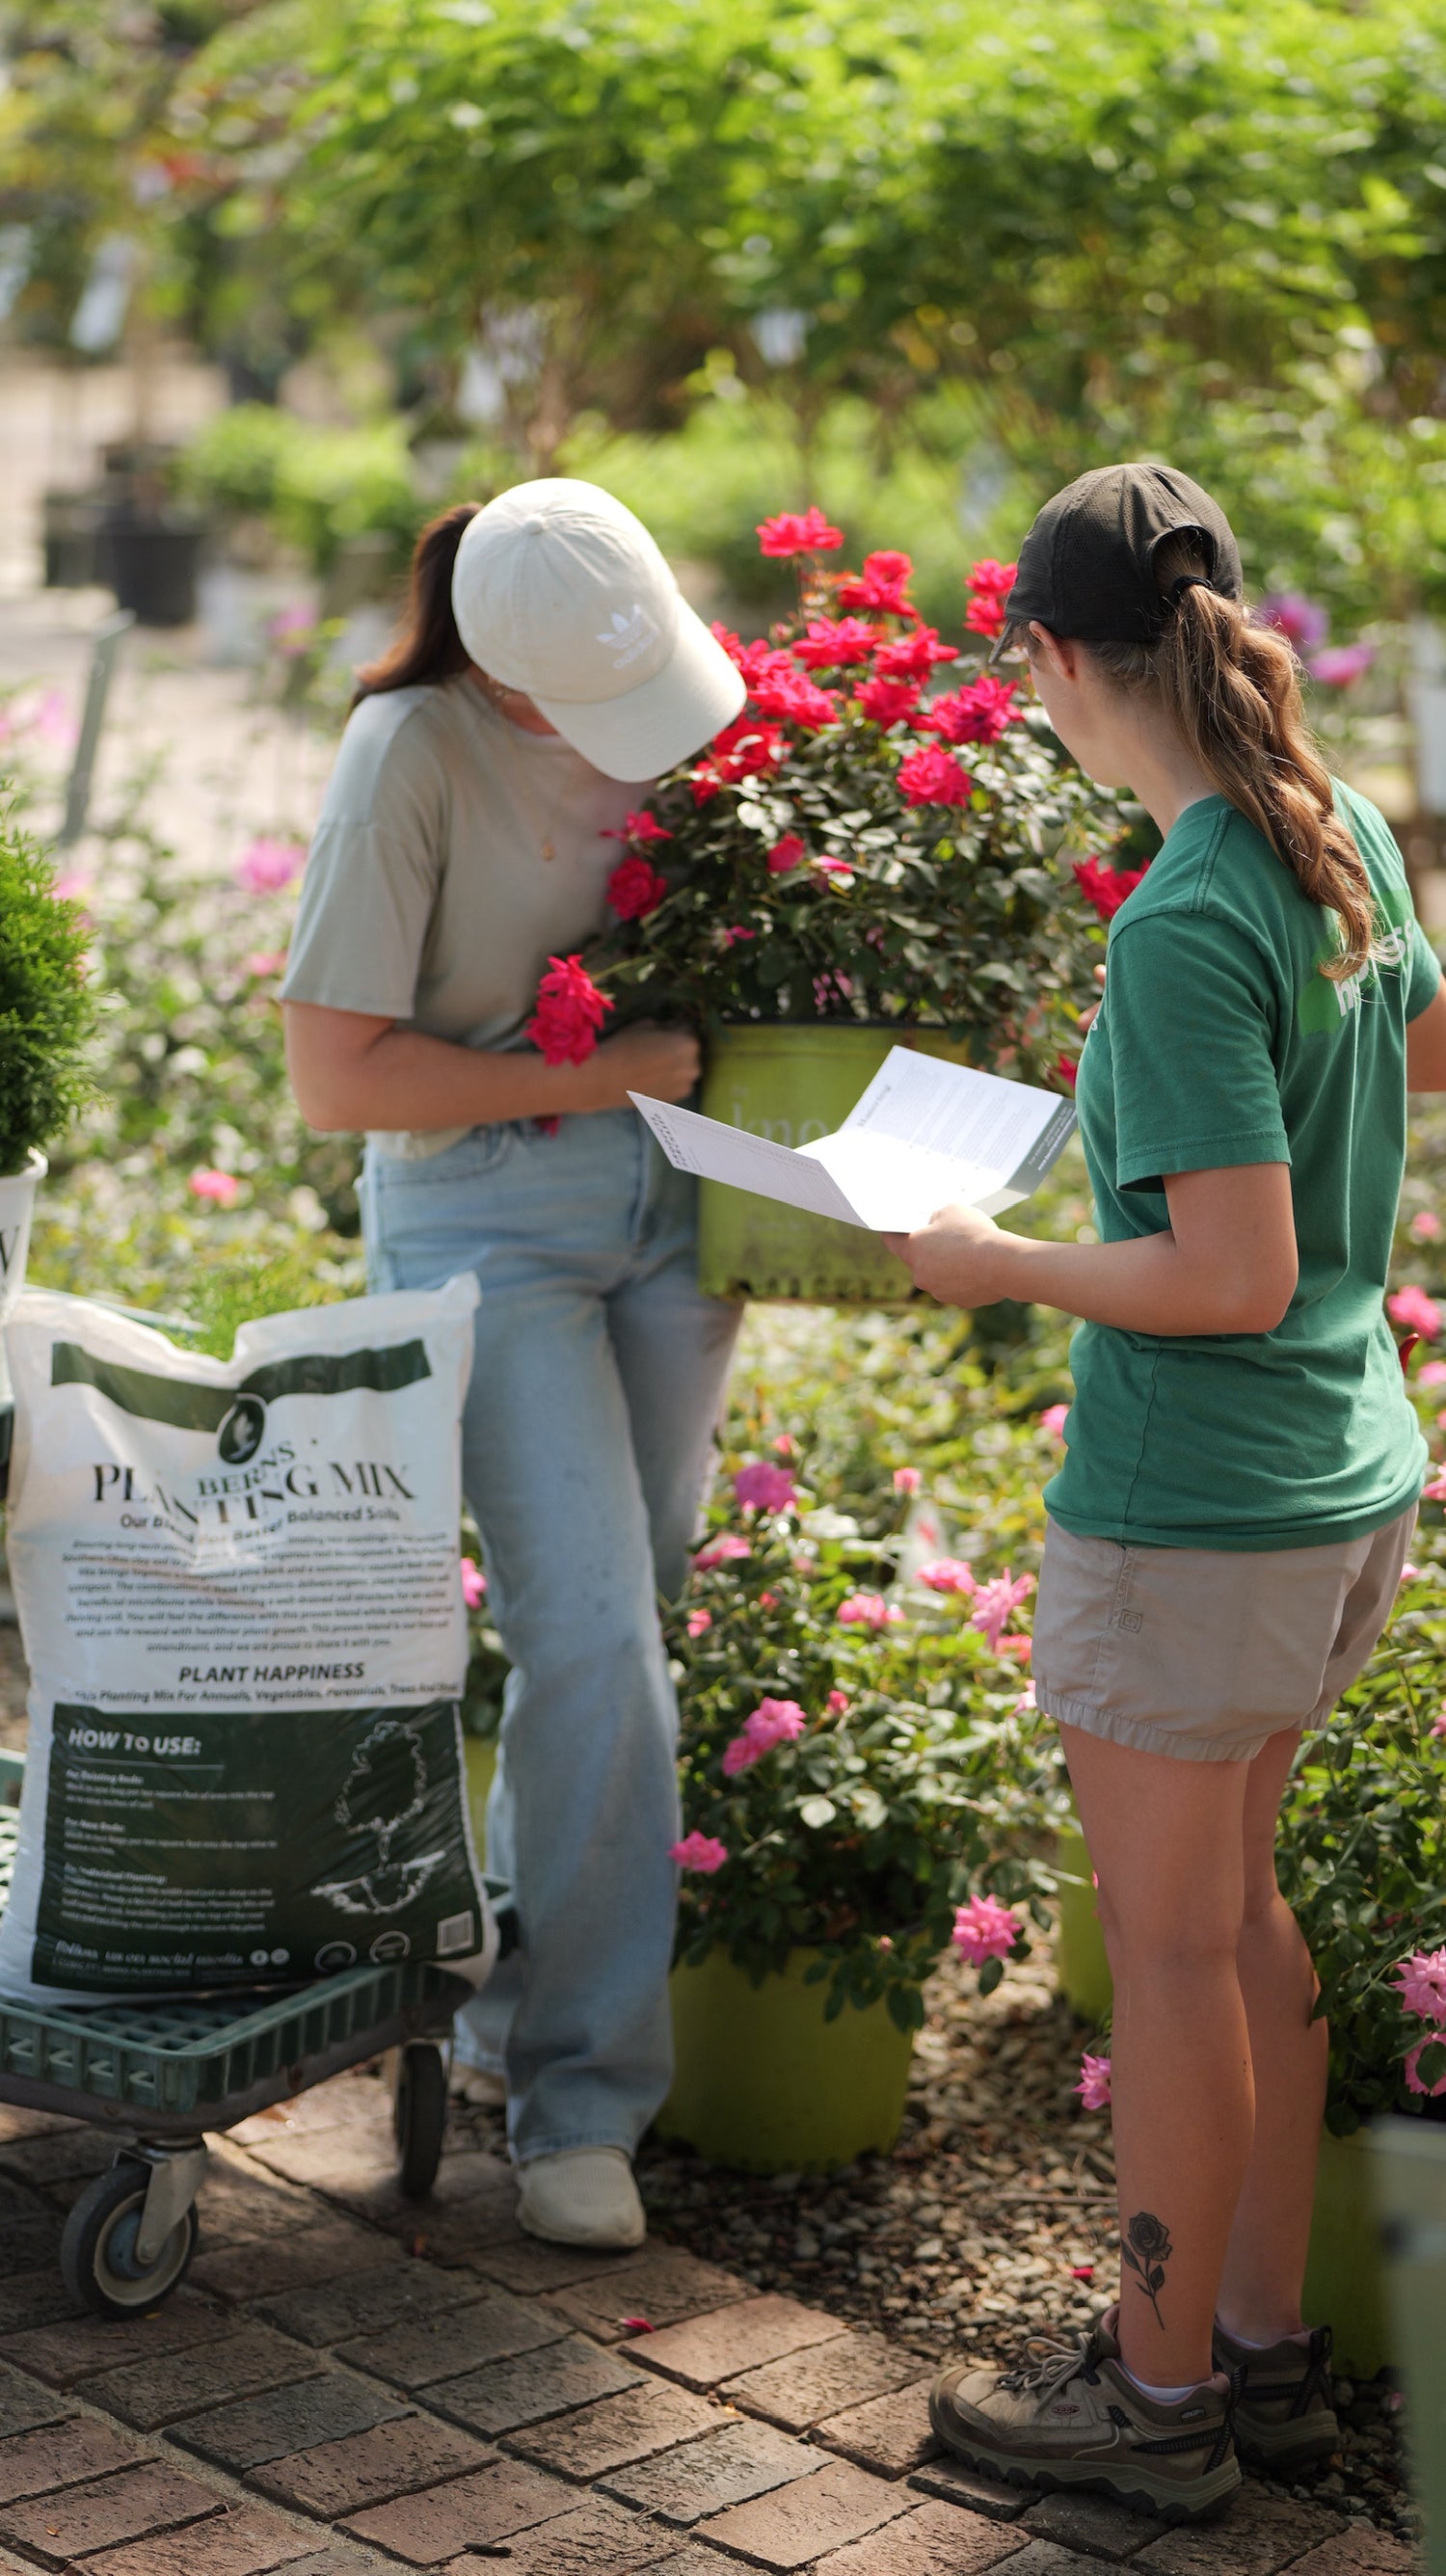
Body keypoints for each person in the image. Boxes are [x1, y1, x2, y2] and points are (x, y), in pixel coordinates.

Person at [887, 462, 1446, 2522]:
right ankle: (1265, 2351)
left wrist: (998, 1259)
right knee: (1238, 1917)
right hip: (1342, 1481)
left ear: (1047, 661)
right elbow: (1411, 1042)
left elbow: (1222, 1275)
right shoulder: (1332, 825)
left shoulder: (1190, 910)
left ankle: (1151, 2401)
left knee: (1171, 1947)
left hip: (1194, 1505)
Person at [281, 479, 746, 2249]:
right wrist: (601, 1078)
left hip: (676, 1199)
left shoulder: (652, 672)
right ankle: (581, 2105)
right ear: (500, 670)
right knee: (595, 1645)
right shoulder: (408, 752)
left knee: (621, 1633)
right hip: (490, 1215)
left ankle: (503, 2013)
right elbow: (342, 1083)